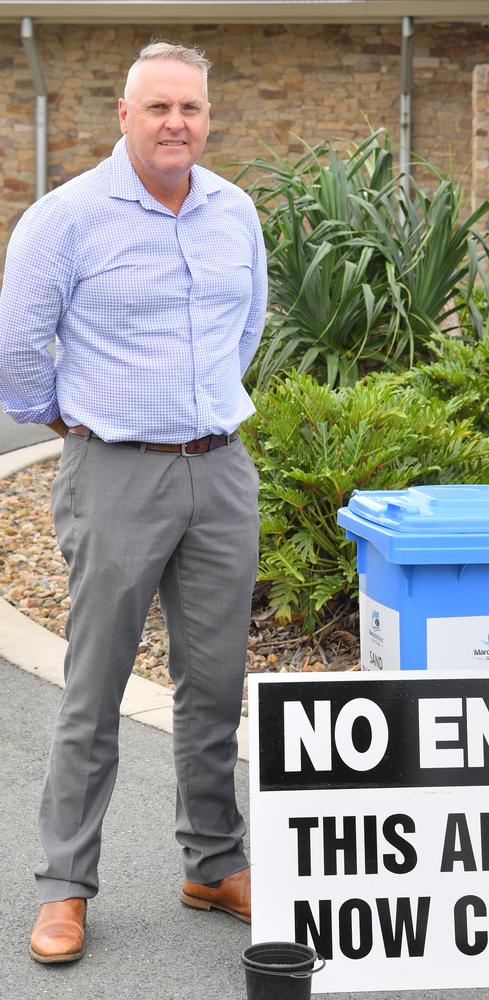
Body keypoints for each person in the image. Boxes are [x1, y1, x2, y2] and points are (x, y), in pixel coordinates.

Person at [0, 41, 267, 963]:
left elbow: (248, 325)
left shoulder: (236, 213)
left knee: (214, 683)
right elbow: (19, 351)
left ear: (207, 116)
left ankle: (213, 862)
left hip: (222, 472)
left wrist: (199, 415)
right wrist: (77, 422)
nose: (174, 124)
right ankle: (65, 886)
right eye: (157, 108)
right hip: (114, 472)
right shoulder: (65, 219)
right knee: (96, 684)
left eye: (189, 108)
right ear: (124, 114)